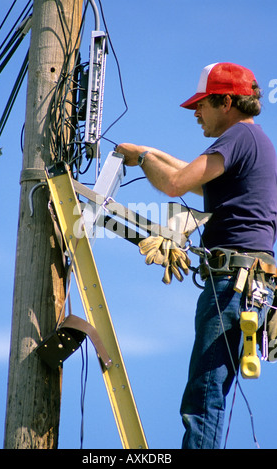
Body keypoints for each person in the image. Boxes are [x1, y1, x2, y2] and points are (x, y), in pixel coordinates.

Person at [115, 62, 277, 449]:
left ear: (225, 101)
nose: (196, 114)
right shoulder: (253, 141)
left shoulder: (238, 136)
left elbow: (175, 183)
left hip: (232, 286)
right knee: (208, 394)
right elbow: (192, 175)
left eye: (201, 105)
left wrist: (141, 159)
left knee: (203, 397)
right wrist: (148, 152)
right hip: (248, 284)